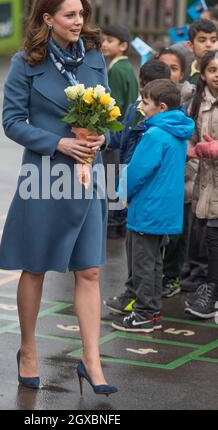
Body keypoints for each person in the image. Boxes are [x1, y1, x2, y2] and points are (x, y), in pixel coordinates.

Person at [0, 0, 117, 396]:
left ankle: (92, 360)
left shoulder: (96, 57)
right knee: (35, 266)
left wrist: (101, 139)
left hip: (88, 174)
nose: (78, 21)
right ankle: (28, 351)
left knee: (91, 269)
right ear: (48, 19)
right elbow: (12, 122)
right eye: (69, 15)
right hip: (44, 176)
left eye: (81, 14)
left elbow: (108, 113)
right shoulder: (24, 63)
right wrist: (57, 142)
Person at [111, 79, 194, 332]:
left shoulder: (155, 134)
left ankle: (145, 314)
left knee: (143, 263)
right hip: (164, 209)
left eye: (145, 103)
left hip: (148, 207)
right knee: (155, 262)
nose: (142, 107)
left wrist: (122, 193)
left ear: (161, 106)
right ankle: (152, 310)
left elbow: (138, 171)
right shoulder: (177, 132)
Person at [103, 60, 171, 315]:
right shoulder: (134, 109)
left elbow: (151, 163)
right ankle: (133, 294)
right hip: (132, 189)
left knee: (149, 254)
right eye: (144, 96)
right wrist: (102, 138)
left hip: (150, 194)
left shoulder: (166, 122)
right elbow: (120, 137)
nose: (144, 104)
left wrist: (127, 187)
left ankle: (147, 307)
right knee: (134, 249)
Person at [154, 48, 197, 298]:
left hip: (185, 176)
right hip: (157, 179)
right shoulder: (148, 98)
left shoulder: (189, 97)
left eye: (174, 68)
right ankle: (155, 275)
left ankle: (172, 276)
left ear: (183, 73)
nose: (168, 73)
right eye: (163, 67)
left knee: (179, 231)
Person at [185, 50, 218, 319]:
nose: (217, 75)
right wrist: (193, 150)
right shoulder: (196, 102)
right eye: (212, 70)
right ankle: (210, 286)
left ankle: (212, 288)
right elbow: (191, 138)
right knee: (208, 234)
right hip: (206, 181)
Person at [101, 25, 138, 238]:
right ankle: (119, 217)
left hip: (117, 132)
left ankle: (114, 221)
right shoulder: (128, 68)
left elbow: (113, 107)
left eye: (110, 41)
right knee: (118, 173)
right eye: (104, 40)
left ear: (123, 46)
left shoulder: (115, 70)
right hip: (128, 130)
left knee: (111, 174)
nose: (105, 44)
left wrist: (106, 136)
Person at [187, 19, 217, 85]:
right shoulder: (182, 72)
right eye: (202, 40)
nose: (209, 45)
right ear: (191, 46)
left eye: (213, 40)